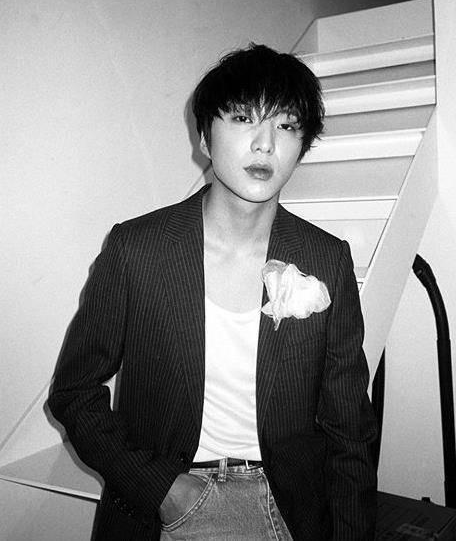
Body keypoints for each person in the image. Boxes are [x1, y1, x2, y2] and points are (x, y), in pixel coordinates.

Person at [48, 43, 377, 540]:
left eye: (287, 125)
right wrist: (161, 489)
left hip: (288, 508)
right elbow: (74, 392)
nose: (265, 144)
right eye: (244, 118)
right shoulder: (137, 249)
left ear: (302, 145)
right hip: (170, 501)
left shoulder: (326, 258)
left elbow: (349, 428)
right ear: (204, 137)